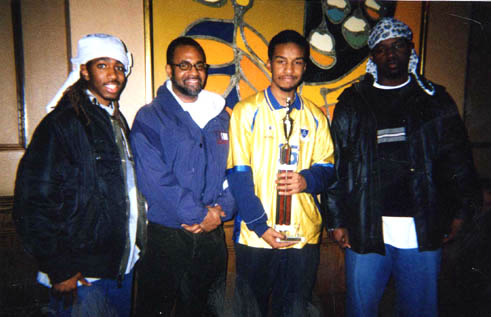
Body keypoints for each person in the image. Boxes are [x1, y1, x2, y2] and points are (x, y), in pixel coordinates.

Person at [325, 17, 482, 317]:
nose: (391, 54)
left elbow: (459, 161)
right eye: (382, 49)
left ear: (410, 49)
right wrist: (335, 220)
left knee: (420, 310)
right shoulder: (353, 101)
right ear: (372, 56)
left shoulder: (435, 99)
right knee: (360, 310)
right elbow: (336, 163)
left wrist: (461, 212)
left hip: (421, 227)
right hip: (365, 226)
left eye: (397, 46)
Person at [13, 33, 147, 317]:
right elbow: (33, 202)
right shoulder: (62, 124)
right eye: (102, 65)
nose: (114, 74)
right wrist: (60, 268)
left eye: (119, 67)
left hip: (120, 268)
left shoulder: (116, 121)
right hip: (81, 277)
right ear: (84, 71)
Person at [227, 30, 335, 316]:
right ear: (269, 64)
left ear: (305, 66)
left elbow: (328, 168)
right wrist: (261, 227)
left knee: (296, 308)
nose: (289, 70)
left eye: (297, 62)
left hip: (302, 234)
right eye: (281, 61)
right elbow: (238, 175)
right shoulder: (246, 111)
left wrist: (306, 180)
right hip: (257, 235)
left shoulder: (315, 116)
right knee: (252, 309)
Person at [130, 36, 235, 316]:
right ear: (169, 70)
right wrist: (198, 214)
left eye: (199, 65)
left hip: (212, 237)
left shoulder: (221, 117)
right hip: (167, 238)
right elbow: (153, 178)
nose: (193, 72)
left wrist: (221, 211)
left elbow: (233, 170)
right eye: (184, 65)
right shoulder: (150, 117)